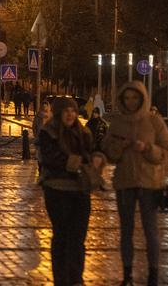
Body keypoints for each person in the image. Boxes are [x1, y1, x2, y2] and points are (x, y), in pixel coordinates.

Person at [102, 82, 168, 286]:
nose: (131, 102)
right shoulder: (117, 123)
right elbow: (109, 153)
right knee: (126, 230)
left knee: (151, 231)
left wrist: (147, 148)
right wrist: (119, 147)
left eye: (135, 98)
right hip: (125, 182)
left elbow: (167, 152)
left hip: (150, 183)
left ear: (142, 98)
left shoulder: (154, 122)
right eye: (127, 98)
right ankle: (127, 275)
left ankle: (153, 275)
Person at [38, 96, 102, 286]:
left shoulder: (84, 133)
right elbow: (51, 159)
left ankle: (76, 279)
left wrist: (97, 160)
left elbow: (94, 152)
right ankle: (61, 279)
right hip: (57, 189)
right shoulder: (48, 132)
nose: (70, 114)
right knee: (62, 235)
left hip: (81, 190)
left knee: (78, 237)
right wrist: (78, 163)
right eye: (66, 111)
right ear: (59, 113)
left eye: (73, 111)